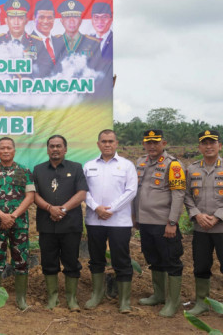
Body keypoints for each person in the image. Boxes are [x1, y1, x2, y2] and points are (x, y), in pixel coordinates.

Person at [184, 130, 223, 324]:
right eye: (205, 143)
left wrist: (218, 217)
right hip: (201, 228)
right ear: (199, 147)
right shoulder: (192, 169)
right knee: (201, 266)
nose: (209, 146)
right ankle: (201, 303)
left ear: (220, 145)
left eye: (213, 143)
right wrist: (196, 214)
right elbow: (185, 195)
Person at [82, 130, 137, 313]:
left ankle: (124, 301)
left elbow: (131, 191)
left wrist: (111, 209)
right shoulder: (89, 166)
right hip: (94, 220)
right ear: (98, 144)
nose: (107, 144)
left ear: (116, 143)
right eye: (104, 141)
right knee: (96, 259)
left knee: (121, 260)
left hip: (119, 222)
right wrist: (96, 207)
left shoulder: (127, 166)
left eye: (110, 141)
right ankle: (97, 295)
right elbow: (83, 192)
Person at [32, 135, 88, 311]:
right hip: (46, 224)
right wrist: (50, 208)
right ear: (47, 149)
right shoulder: (38, 170)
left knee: (71, 262)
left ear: (65, 149)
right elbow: (33, 195)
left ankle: (71, 299)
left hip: (70, 224)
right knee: (49, 262)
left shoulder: (76, 168)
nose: (55, 149)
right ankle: (53, 298)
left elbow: (82, 193)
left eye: (58, 146)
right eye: (51, 146)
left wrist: (62, 209)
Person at [134, 129, 186, 317]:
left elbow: (178, 194)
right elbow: (136, 191)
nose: (152, 146)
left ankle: (173, 302)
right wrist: (135, 216)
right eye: (149, 142)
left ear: (163, 143)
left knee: (171, 261)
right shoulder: (141, 162)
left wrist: (172, 222)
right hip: (145, 222)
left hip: (163, 222)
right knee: (154, 259)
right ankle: (159, 295)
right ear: (144, 144)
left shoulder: (173, 165)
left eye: (156, 142)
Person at [0, 137, 35, 310]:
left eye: (8, 148)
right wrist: (1, 216)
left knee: (21, 259)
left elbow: (30, 197)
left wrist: (13, 216)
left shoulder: (24, 171)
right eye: (2, 148)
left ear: (14, 151)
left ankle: (21, 299)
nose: (5, 151)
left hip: (19, 225)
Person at [52, 0, 100, 71]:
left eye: (75, 17)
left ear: (80, 20)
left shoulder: (93, 43)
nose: (72, 21)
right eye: (67, 17)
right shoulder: (53, 42)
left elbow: (99, 69)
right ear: (61, 21)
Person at [0, 0, 38, 64]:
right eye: (12, 18)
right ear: (6, 21)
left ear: (26, 21)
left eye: (20, 18)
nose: (16, 22)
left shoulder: (37, 42)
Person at [89, 2, 113, 94]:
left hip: (106, 90)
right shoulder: (85, 42)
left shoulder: (114, 40)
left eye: (104, 17)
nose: (100, 21)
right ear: (92, 20)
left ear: (110, 20)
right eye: (96, 17)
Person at [31, 0, 58, 77]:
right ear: (34, 18)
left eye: (49, 18)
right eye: (41, 17)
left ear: (54, 19)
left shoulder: (61, 42)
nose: (46, 21)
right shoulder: (26, 42)